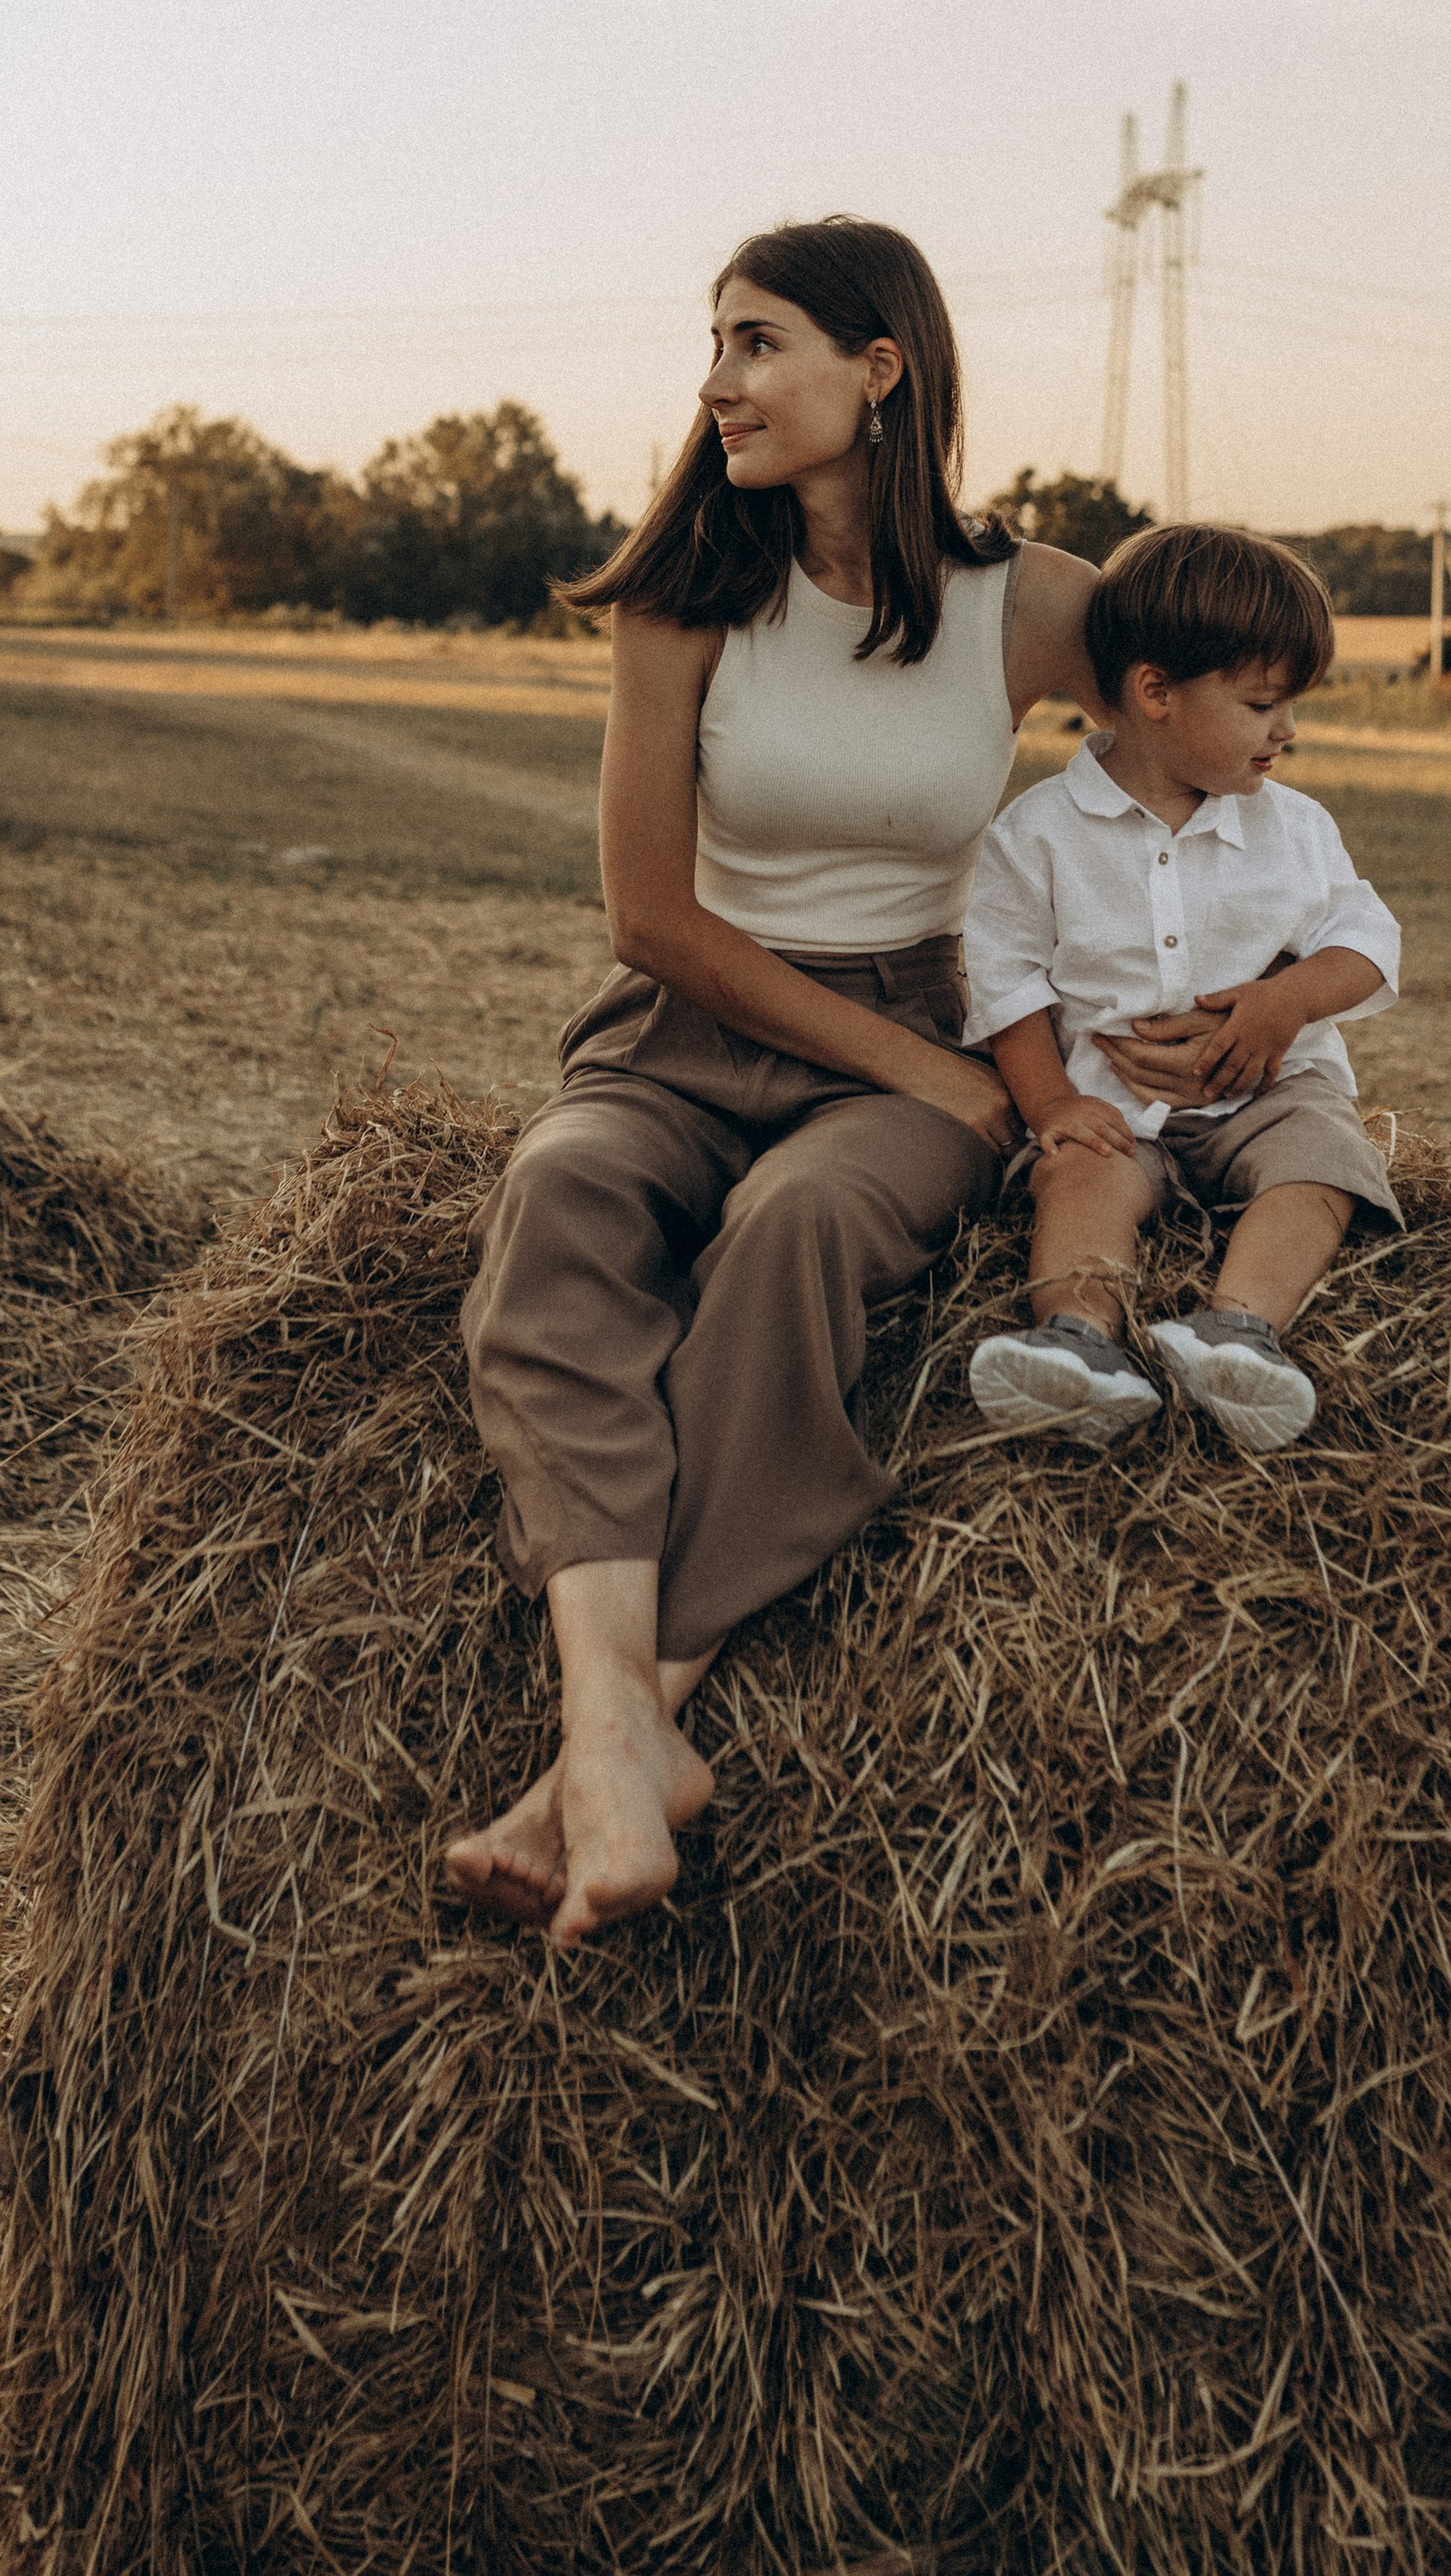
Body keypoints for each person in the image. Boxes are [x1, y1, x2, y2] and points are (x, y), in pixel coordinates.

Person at [444, 217, 1104, 1947]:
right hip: (691, 1021)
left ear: (879, 369)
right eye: (716, 344)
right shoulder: (687, 597)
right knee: (561, 1196)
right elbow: (651, 916)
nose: (716, 381)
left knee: (801, 1229)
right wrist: (926, 1073)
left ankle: (632, 1725)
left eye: (757, 343)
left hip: (902, 1031)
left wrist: (1236, 1001)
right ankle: (614, 1728)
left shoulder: (1026, 601)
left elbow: (1206, 742)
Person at [961, 522, 1402, 1458]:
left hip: (1271, 1097)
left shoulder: (1294, 827)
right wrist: (1054, 1103)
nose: (1287, 729)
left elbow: (1369, 940)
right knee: (1078, 1174)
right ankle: (1079, 1342)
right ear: (1155, 691)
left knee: (1323, 1161)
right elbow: (1006, 984)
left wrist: (1285, 1003)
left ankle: (1239, 1331)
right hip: (1115, 1102)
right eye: (1260, 703)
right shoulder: (1036, 834)